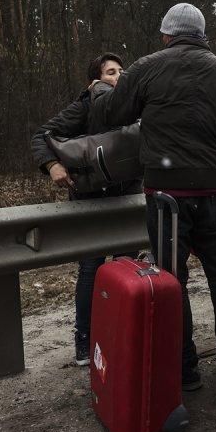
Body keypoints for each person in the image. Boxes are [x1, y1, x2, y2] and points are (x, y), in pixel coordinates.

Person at [90, 3, 216, 390]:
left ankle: (185, 370)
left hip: (166, 195)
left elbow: (110, 114)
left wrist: (98, 89)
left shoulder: (146, 67)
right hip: (215, 190)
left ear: (166, 35)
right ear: (203, 35)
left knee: (171, 281)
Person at [30, 53, 142, 366]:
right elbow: (42, 135)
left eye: (121, 71)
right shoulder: (84, 105)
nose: (117, 76)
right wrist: (51, 164)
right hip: (91, 201)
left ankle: (126, 336)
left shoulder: (134, 105)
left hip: (128, 199)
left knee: (129, 270)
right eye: (110, 72)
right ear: (94, 81)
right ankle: (85, 341)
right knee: (92, 269)